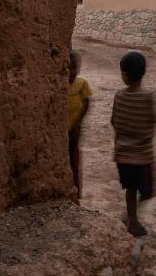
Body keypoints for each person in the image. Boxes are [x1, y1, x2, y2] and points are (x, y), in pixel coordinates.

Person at [110, 50, 156, 237]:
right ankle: (132, 221)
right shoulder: (148, 97)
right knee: (147, 191)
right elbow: (153, 120)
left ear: (124, 75)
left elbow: (114, 121)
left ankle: (131, 219)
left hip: (122, 154)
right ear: (143, 72)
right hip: (143, 155)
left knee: (130, 189)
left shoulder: (119, 96)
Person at [67, 49, 92, 203]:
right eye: (69, 67)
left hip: (74, 131)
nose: (72, 71)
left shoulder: (81, 83)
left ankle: (76, 195)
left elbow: (87, 102)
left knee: (74, 162)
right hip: (61, 131)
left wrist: (78, 122)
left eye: (75, 68)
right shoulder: (59, 83)